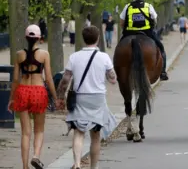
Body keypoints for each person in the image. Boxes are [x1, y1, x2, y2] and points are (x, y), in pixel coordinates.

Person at [56, 26, 117, 169]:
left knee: (79, 132)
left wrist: (60, 97)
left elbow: (65, 80)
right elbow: (112, 77)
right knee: (95, 136)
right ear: (97, 39)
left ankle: (77, 164)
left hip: (80, 98)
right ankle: (93, 167)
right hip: (97, 99)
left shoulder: (74, 57)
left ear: (83, 39)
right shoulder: (104, 57)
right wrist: (111, 76)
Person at [7, 25, 57, 169]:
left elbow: (15, 79)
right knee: (39, 130)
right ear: (40, 38)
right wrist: (55, 97)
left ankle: (24, 166)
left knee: (25, 133)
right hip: (39, 92)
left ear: (25, 37)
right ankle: (35, 156)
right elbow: (48, 78)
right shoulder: (44, 54)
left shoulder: (18, 55)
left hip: (22, 91)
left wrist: (11, 98)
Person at [119, 0, 168, 80]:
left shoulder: (127, 7)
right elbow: (155, 20)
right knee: (161, 48)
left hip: (129, 32)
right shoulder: (148, 6)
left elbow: (122, 22)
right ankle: (162, 72)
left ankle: (119, 71)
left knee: (119, 49)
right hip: (147, 32)